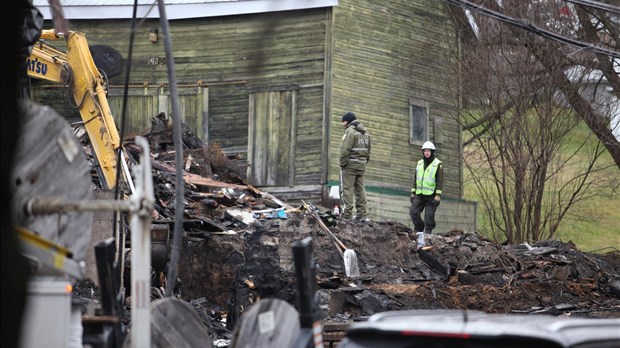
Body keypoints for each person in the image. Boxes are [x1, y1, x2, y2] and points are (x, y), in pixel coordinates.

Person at [339, 111, 371, 222]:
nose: (343, 125)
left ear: (348, 121)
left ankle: (347, 214)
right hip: (361, 165)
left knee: (347, 189)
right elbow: (368, 151)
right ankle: (362, 214)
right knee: (360, 189)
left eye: (344, 123)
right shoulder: (365, 133)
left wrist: (343, 164)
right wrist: (363, 162)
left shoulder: (350, 131)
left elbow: (345, 150)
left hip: (350, 166)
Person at [410, 141, 443, 245]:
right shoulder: (419, 163)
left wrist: (438, 195)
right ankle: (419, 228)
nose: (427, 152)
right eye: (425, 151)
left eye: (428, 151)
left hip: (431, 195)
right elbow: (416, 178)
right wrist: (413, 192)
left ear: (432, 152)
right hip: (420, 194)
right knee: (413, 212)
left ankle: (428, 235)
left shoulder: (437, 164)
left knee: (429, 217)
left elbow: (440, 181)